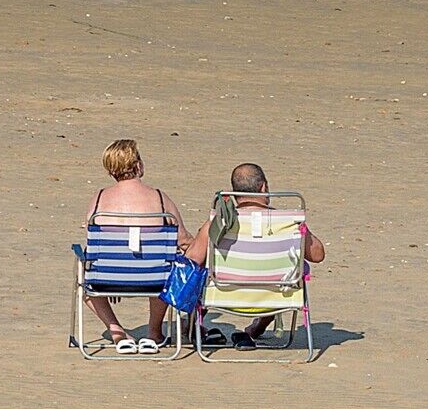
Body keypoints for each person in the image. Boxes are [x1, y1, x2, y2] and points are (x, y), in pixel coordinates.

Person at [196, 163, 326, 347]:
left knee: (202, 269)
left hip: (225, 296)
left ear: (235, 192)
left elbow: (192, 258)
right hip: (276, 298)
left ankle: (192, 326)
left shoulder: (218, 223)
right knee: (284, 270)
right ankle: (256, 328)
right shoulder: (287, 223)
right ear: (263, 187)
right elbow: (318, 254)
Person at [76, 139, 187, 353]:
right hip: (154, 281)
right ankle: (154, 332)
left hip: (106, 278)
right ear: (138, 166)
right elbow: (183, 240)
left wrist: (112, 271)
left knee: (84, 272)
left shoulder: (99, 200)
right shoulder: (159, 199)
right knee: (166, 265)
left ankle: (116, 330)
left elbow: (94, 240)